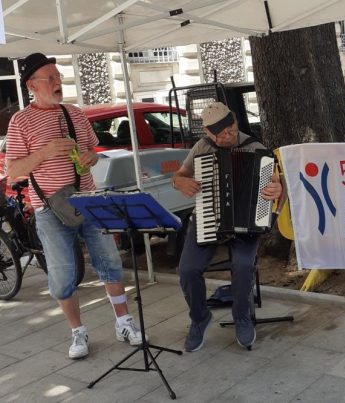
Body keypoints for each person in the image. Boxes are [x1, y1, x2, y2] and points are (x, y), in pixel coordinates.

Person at [5, 53, 144, 359]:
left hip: (89, 200)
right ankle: (77, 332)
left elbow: (92, 151)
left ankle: (124, 321)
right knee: (63, 273)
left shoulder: (75, 113)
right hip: (50, 210)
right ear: (32, 85)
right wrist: (45, 152)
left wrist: (91, 158)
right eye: (50, 78)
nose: (58, 83)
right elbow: (13, 171)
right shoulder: (21, 121)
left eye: (58, 76)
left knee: (109, 261)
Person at [172, 101, 282, 352]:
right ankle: (200, 318)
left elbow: (277, 187)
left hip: (245, 225)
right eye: (222, 134)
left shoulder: (255, 147)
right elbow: (179, 175)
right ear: (208, 133)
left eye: (232, 129)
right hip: (207, 219)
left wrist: (277, 189)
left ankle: (241, 315)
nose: (229, 136)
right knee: (187, 270)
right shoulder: (201, 148)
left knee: (243, 265)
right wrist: (180, 182)